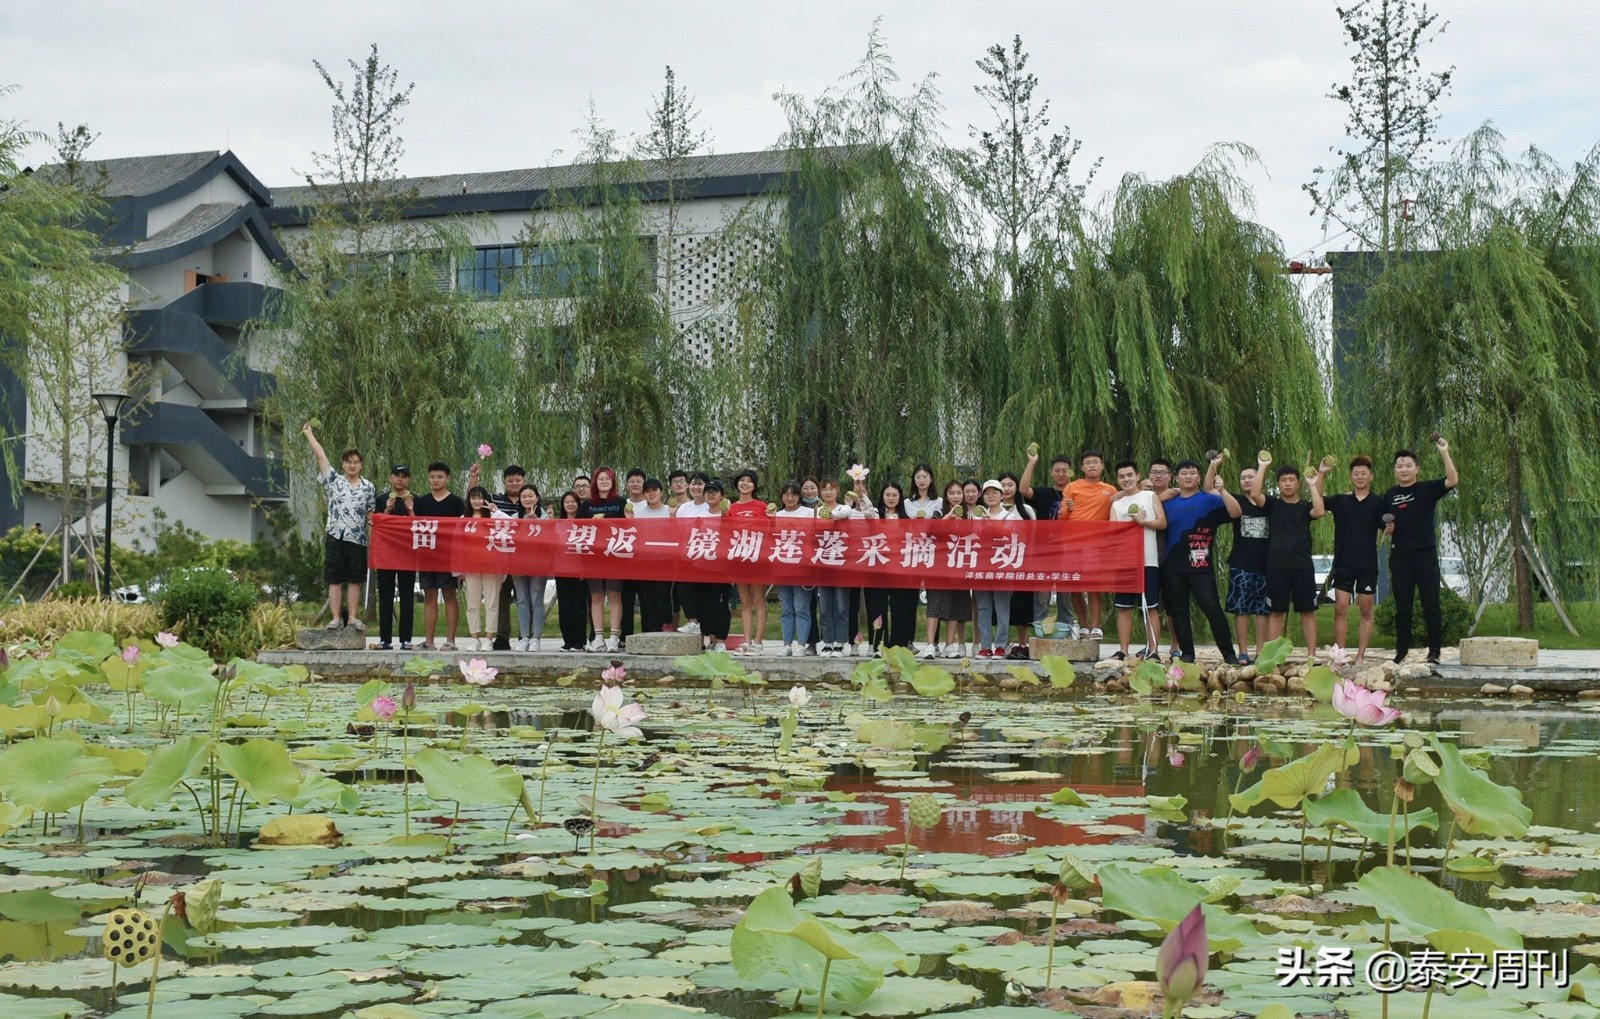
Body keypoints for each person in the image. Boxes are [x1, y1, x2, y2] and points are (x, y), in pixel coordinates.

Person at [1381, 436, 1459, 664]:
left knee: (1430, 604)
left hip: (1425, 555)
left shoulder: (1427, 489)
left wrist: (1444, 452)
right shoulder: (1389, 495)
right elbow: (1385, 527)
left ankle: (1435, 650)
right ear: (1395, 470)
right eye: (1399, 466)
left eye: (1408, 465)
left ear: (1417, 469)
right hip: (1400, 556)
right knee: (1402, 607)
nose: (1403, 469)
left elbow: (1452, 480)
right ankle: (1401, 651)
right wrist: (1387, 529)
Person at [1160, 457, 1243, 665]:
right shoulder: (1168, 502)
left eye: (1192, 473)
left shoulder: (1209, 500)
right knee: (1178, 610)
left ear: (1198, 477)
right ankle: (1187, 654)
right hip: (1172, 565)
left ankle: (1229, 654)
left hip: (1201, 567)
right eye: (1183, 473)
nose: (1188, 476)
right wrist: (1160, 497)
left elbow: (1236, 512)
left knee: (1212, 608)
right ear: (1176, 478)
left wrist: (1222, 491)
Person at [1247, 453, 1329, 662]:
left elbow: (1319, 511)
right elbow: (1255, 493)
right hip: (1277, 566)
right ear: (1279, 484)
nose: (1288, 483)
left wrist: (1312, 484)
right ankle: (1274, 656)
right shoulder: (1273, 505)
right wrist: (1262, 466)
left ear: (1297, 482)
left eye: (1292, 479)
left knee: (1307, 612)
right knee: (1276, 612)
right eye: (1284, 480)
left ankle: (1312, 655)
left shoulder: (1304, 507)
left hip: (1302, 566)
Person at [303, 423, 376, 632]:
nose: (352, 465)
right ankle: (335, 618)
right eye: (348, 462)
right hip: (336, 535)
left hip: (358, 539)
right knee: (335, 579)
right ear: (343, 464)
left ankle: (352, 617)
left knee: (355, 580)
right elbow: (321, 456)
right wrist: (309, 434)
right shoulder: (334, 481)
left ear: (361, 465)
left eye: (356, 462)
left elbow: (371, 514)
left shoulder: (368, 487)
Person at [1325, 455, 1386, 664]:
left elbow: (1387, 526)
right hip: (1343, 563)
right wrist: (1321, 474)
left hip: (1367, 564)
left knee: (1366, 609)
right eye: (1356, 473)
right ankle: (1340, 654)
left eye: (1364, 473)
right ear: (1351, 477)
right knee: (1340, 607)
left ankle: (1361, 655)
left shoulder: (1378, 503)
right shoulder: (1341, 501)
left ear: (1371, 476)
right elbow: (1318, 502)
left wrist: (1390, 528)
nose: (1360, 477)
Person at [1110, 460, 1167, 660]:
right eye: (1122, 476)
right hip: (1124, 563)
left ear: (1137, 476)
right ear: (1118, 480)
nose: (1126, 479)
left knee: (1150, 606)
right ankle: (1123, 650)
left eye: (1129, 475)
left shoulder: (1149, 496)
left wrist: (1143, 522)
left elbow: (1162, 522)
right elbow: (1113, 532)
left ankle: (1153, 650)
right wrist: (1130, 524)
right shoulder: (1117, 505)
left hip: (1148, 561)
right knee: (1124, 608)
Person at [1020, 449, 1077, 638]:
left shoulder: (1077, 494)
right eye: (1057, 470)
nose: (1061, 474)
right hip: (1044, 553)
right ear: (1052, 472)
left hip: (1069, 553)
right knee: (1042, 598)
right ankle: (1040, 635)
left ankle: (1065, 635)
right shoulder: (1044, 493)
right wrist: (1032, 463)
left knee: (1065, 598)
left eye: (1065, 470)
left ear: (1070, 472)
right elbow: (1023, 490)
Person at [1064, 450, 1119, 640]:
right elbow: (1062, 517)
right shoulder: (1072, 487)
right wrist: (1067, 510)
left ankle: (1096, 626)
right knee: (1075, 585)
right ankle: (1084, 625)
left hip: (1095, 545)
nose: (1092, 465)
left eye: (1096, 462)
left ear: (1102, 466)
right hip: (1073, 544)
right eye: (1088, 463)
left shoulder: (1110, 490)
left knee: (1094, 585)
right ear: (1082, 467)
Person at [414, 461, 466, 650]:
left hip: (449, 557)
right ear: (428, 478)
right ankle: (429, 641)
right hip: (427, 555)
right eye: (433, 477)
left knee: (449, 595)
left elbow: (464, 531)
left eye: (440, 477)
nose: (436, 480)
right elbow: (414, 526)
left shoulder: (456, 502)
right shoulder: (421, 502)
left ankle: (451, 640)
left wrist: (461, 562)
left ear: (448, 479)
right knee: (429, 596)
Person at [863, 481, 918, 654]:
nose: (891, 498)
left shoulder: (908, 520)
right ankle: (878, 644)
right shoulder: (875, 516)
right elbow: (866, 510)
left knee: (900, 608)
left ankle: (898, 646)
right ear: (882, 497)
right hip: (878, 570)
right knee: (877, 607)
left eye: (895, 495)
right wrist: (860, 491)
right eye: (887, 495)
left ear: (900, 497)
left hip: (900, 571)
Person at [578, 466, 628, 652]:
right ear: (595, 482)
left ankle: (614, 638)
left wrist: (609, 523)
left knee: (615, 595)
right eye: (600, 479)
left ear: (613, 481)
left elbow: (629, 527)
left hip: (615, 555)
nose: (604, 482)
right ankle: (598, 637)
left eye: (608, 479)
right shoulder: (587, 505)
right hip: (593, 557)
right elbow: (579, 531)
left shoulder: (621, 503)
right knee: (596, 596)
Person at [1226, 463, 1271, 664]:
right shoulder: (1235, 501)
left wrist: (1262, 467)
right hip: (1241, 563)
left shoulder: (1269, 503)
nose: (1246, 480)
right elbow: (1209, 489)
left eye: (1251, 476)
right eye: (1243, 477)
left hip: (1267, 565)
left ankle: (1261, 651)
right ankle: (1243, 651)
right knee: (1240, 608)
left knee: (1263, 610)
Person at [924, 479, 973, 659]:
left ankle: (949, 645)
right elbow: (930, 531)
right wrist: (948, 518)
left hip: (960, 566)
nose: (956, 496)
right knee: (935, 605)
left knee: (954, 606)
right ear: (946, 495)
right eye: (952, 493)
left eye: (959, 493)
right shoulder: (939, 512)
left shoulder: (969, 515)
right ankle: (930, 645)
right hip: (939, 567)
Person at [973, 480, 1021, 657]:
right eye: (987, 493)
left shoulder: (1010, 516)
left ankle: (1001, 645)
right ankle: (985, 646)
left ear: (1002, 495)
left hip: (1003, 566)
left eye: (995, 492)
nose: (991, 496)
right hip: (982, 566)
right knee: (983, 608)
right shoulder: (977, 516)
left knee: (1002, 608)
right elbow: (974, 539)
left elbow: (1009, 535)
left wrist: (991, 521)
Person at [814, 476, 860, 657]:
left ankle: (840, 642)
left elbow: (844, 515)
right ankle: (827, 642)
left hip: (841, 564)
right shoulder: (816, 511)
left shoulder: (844, 509)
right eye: (824, 488)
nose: (827, 492)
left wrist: (846, 506)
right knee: (825, 608)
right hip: (823, 565)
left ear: (837, 491)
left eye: (831, 488)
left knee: (841, 607)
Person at [373, 464, 416, 650]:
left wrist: (411, 510)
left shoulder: (414, 499)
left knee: (407, 596)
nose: (400, 479)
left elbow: (421, 526)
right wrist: (387, 511)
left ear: (409, 480)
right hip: (386, 555)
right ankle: (385, 639)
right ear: (390, 478)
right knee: (385, 596)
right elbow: (376, 524)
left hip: (407, 554)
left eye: (404, 476)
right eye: (397, 475)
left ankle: (406, 639)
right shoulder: (382, 499)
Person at [460, 486, 508, 653]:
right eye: (473, 498)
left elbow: (512, 525)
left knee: (492, 602)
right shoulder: (463, 518)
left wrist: (497, 511)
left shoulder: (495, 517)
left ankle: (489, 639)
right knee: (472, 604)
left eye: (480, 498)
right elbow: (457, 545)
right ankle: (475, 639)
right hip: (471, 566)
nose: (477, 501)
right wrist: (458, 571)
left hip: (491, 566)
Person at [729, 469, 771, 654]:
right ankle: (746, 641)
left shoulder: (762, 506)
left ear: (754, 486)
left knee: (758, 599)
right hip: (739, 558)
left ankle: (759, 642)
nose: (745, 483)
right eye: (742, 480)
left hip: (757, 557)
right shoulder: (730, 508)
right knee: (745, 602)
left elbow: (770, 529)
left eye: (749, 481)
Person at [773, 480, 816, 656]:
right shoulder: (776, 515)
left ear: (800, 497)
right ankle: (786, 644)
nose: (790, 498)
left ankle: (802, 644)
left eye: (794, 494)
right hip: (782, 568)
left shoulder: (808, 513)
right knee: (786, 608)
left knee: (801, 608)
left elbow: (813, 538)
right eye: (786, 494)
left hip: (801, 568)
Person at [633, 478, 676, 633]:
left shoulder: (669, 510)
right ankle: (651, 629)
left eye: (654, 490)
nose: (651, 494)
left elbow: (677, 533)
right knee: (647, 595)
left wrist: (673, 517)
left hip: (665, 559)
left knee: (663, 593)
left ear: (661, 492)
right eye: (647, 491)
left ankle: (666, 624)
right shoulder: (639, 513)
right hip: (645, 560)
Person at [511, 485, 549, 651]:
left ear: (537, 497)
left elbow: (550, 541)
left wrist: (537, 522)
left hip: (539, 564)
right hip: (518, 563)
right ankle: (524, 637)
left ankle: (536, 638)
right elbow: (510, 539)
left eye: (530, 496)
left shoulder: (546, 518)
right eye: (524, 496)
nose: (527, 499)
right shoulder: (514, 517)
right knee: (522, 600)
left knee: (536, 599)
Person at [674, 472, 712, 637]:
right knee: (685, 589)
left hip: (708, 554)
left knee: (705, 593)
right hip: (687, 554)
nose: (696, 487)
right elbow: (677, 530)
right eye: (694, 484)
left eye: (700, 484)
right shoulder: (684, 508)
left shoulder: (713, 504)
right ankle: (692, 621)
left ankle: (707, 627)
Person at [552, 491, 589, 652]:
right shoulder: (556, 524)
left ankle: (579, 642)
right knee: (565, 607)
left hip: (579, 571)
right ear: (563, 504)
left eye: (573, 501)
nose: (570, 504)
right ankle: (567, 640)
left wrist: (584, 569)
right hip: (561, 570)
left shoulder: (584, 524)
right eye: (567, 502)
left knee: (579, 607)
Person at [697, 480, 733, 650]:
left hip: (722, 569)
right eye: (708, 491)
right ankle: (710, 639)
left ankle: (720, 640)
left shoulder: (728, 516)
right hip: (703, 568)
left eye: (715, 491)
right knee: (705, 604)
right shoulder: (700, 517)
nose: (711, 494)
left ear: (722, 495)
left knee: (720, 605)